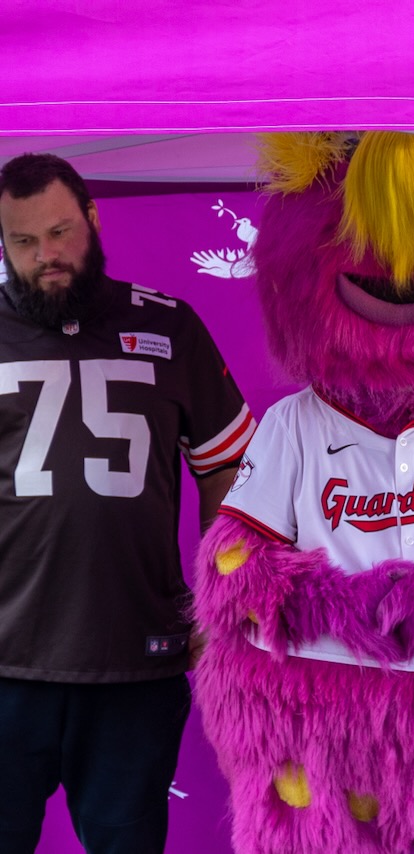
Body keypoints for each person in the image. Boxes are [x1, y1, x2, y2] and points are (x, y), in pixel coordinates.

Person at [0, 153, 254, 853]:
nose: (46, 256)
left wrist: (218, 594)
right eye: (24, 241)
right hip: (6, 663)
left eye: (59, 232)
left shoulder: (170, 329)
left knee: (127, 843)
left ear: (92, 219)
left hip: (135, 661)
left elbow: (229, 466)